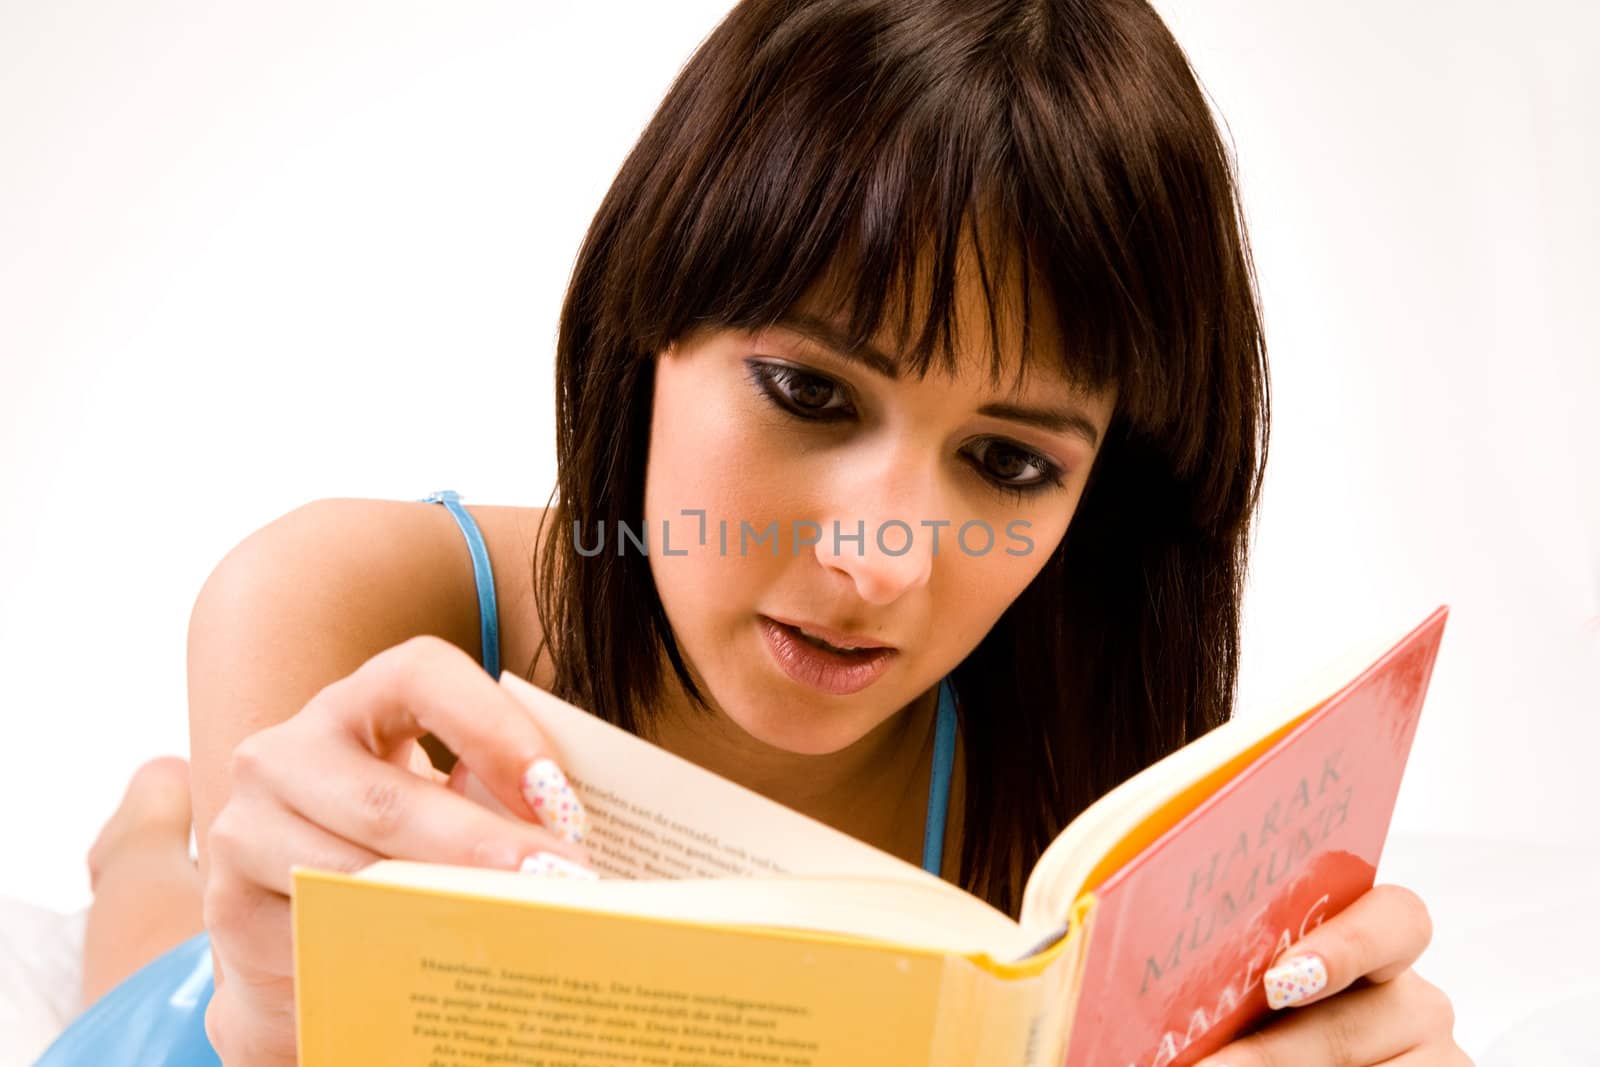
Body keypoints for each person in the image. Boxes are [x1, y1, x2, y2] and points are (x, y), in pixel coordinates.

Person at [44, 0, 1470, 1063]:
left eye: (1007, 462)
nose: (883, 563)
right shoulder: (354, 604)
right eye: (807, 390)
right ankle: (150, 834)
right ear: (644, 320)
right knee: (168, 932)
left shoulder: (1073, 738)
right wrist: (255, 1017)